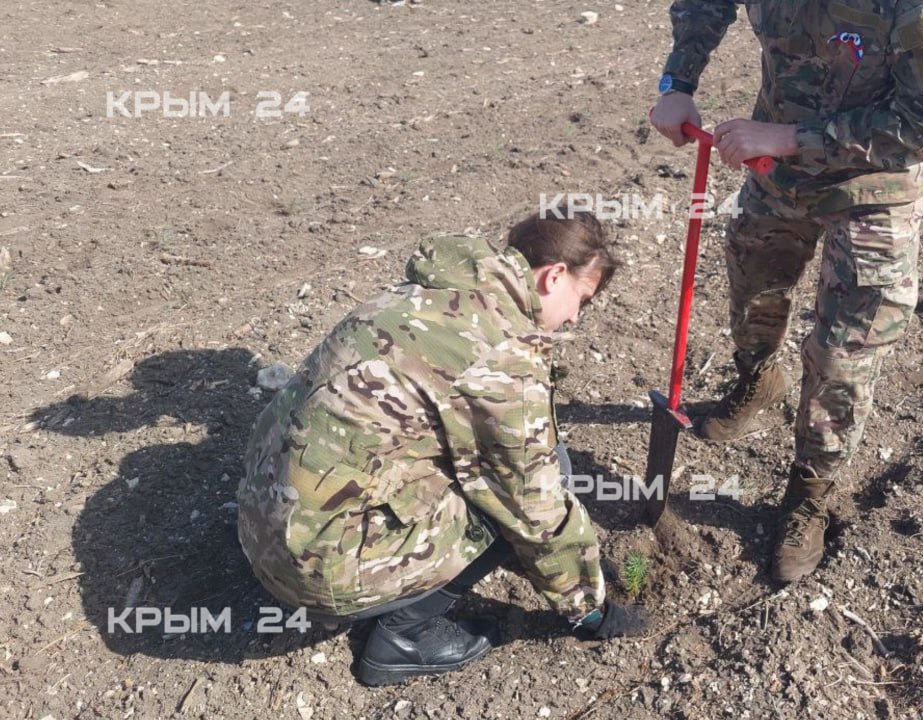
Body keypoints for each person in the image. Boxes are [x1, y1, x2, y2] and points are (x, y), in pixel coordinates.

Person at [650, 0, 923, 582]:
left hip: (874, 187)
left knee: (841, 356)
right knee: (753, 287)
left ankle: (809, 495)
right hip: (774, 170)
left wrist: (791, 137)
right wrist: (678, 80)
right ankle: (758, 383)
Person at [236, 209, 645, 686]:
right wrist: (588, 608)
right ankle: (403, 637)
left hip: (260, 522)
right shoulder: (502, 358)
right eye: (582, 299)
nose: (575, 317)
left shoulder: (420, 295)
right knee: (528, 483)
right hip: (314, 567)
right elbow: (535, 505)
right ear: (554, 276)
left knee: (515, 463)